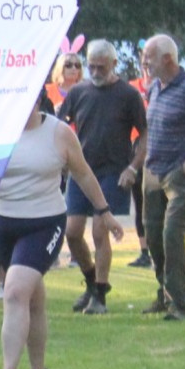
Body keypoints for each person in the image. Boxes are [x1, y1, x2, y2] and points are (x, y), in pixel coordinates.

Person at [0, 92, 123, 369]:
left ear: (38, 100)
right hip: (2, 223)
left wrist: (104, 211)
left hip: (44, 224)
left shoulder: (58, 133)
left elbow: (83, 173)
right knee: (31, 298)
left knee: (15, 292)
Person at [121, 34, 185, 320]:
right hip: (152, 173)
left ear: (167, 59)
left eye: (149, 56)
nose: (144, 62)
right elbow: (150, 132)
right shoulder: (154, 89)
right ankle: (163, 294)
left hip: (180, 177)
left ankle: (178, 304)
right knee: (153, 237)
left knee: (172, 236)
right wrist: (138, 166)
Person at [60, 40, 146, 315]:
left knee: (99, 231)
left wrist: (132, 168)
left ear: (114, 65)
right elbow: (61, 125)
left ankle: (101, 294)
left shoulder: (128, 95)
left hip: (113, 172)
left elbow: (144, 135)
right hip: (81, 170)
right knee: (72, 232)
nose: (95, 72)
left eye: (101, 66)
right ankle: (91, 282)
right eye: (92, 66)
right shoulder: (79, 91)